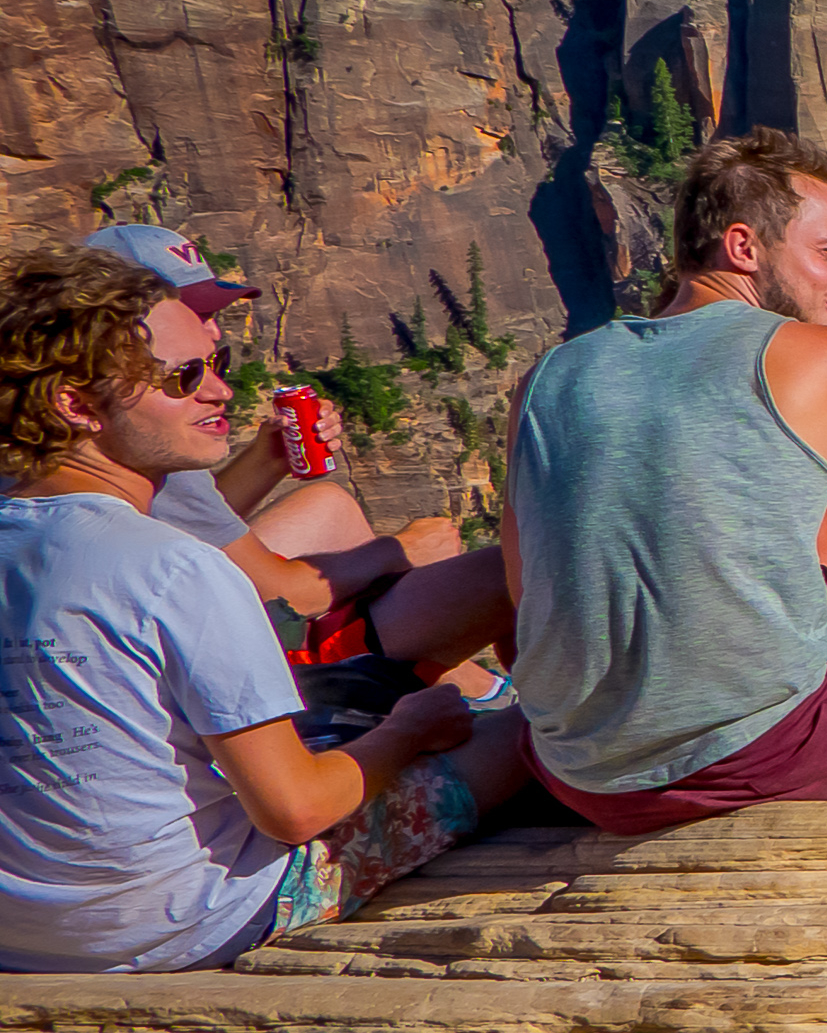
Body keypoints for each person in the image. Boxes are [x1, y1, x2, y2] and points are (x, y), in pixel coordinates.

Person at [0, 247, 529, 973]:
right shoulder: (171, 565)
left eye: (216, 367)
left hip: (19, 932)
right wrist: (405, 734)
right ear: (77, 404)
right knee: (529, 728)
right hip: (175, 921)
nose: (218, 392)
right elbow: (298, 810)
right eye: (183, 378)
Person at [503, 129, 827, 832]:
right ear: (744, 247)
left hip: (581, 778)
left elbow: (522, 594)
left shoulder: (545, 381)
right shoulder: (826, 359)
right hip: (772, 759)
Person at [79, 224, 510, 693]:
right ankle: (451, 687)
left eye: (214, 312)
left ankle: (465, 682)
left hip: (168, 599)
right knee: (499, 573)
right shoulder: (144, 439)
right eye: (195, 311)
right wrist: (398, 549)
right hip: (185, 659)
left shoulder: (108, 431)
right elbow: (281, 592)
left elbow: (188, 524)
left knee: (328, 506)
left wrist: (268, 460)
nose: (214, 330)